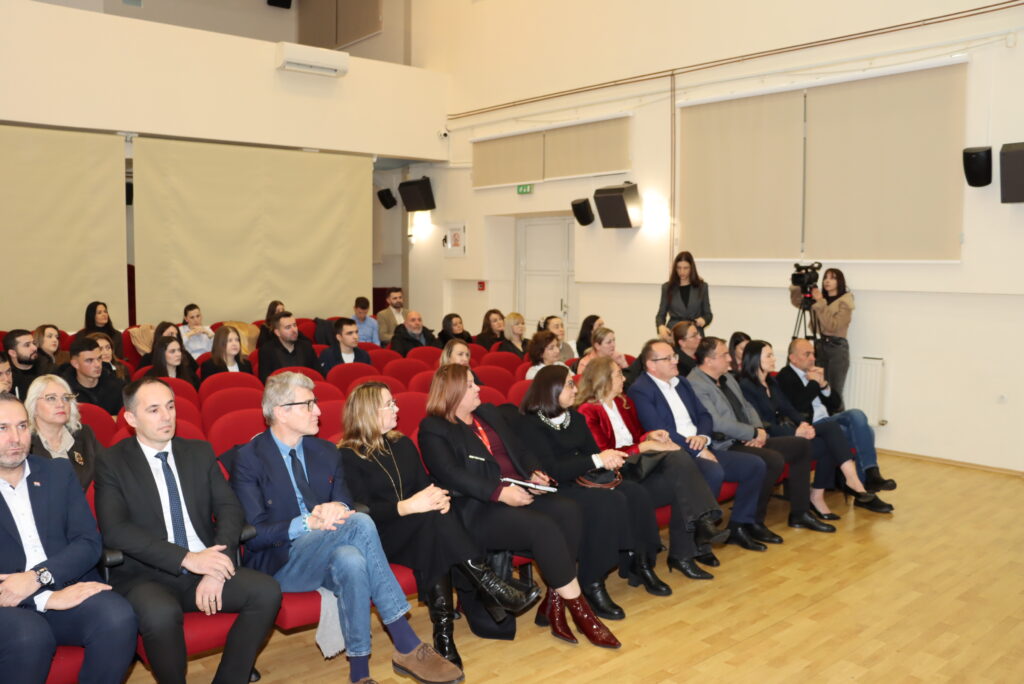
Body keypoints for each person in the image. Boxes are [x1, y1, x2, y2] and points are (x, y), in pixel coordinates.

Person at [229, 373, 464, 684]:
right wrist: (308, 522)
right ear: (281, 412)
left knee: (351, 560)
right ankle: (405, 642)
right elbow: (255, 535)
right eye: (308, 404)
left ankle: (360, 674)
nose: (318, 411)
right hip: (282, 562)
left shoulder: (325, 452)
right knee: (361, 523)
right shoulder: (248, 459)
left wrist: (336, 509)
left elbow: (345, 504)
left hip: (329, 550)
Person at [418, 365, 620, 649]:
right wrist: (499, 492)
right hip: (478, 507)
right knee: (543, 528)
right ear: (453, 392)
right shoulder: (434, 428)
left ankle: (554, 603)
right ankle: (583, 615)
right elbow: (451, 474)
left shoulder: (488, 413)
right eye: (470, 385)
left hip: (519, 489)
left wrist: (534, 473)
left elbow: (521, 450)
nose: (477, 388)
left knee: (569, 510)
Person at [338, 382, 538, 668]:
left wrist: (439, 498)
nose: (396, 408)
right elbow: (360, 512)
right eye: (389, 404)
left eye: (394, 402)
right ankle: (488, 587)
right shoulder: (347, 455)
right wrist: (407, 507)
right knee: (433, 526)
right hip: (380, 534)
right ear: (368, 411)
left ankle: (446, 635)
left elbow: (425, 486)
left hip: (421, 528)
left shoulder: (402, 443)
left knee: (435, 525)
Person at [95, 378, 281, 683]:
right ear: (131, 418)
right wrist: (187, 559)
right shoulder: (112, 461)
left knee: (266, 592)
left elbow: (230, 508)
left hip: (206, 561)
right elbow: (116, 530)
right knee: (161, 615)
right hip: (146, 574)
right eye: (154, 410)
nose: (166, 416)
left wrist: (217, 564)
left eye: (170, 407)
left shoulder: (199, 451)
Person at [0, 393, 137, 684]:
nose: (15, 438)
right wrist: (43, 599)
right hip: (7, 602)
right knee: (30, 637)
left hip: (61, 581)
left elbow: (88, 542)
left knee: (118, 617)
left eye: (22, 426)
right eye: (3, 428)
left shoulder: (57, 472)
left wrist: (40, 578)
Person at [517, 365, 667, 618]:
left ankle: (640, 563)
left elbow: (591, 455)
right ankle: (592, 581)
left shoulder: (574, 418)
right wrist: (597, 460)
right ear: (552, 389)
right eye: (569, 384)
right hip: (557, 488)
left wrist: (604, 460)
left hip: (584, 479)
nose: (575, 389)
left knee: (636, 493)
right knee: (607, 502)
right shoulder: (530, 424)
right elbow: (552, 470)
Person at [576, 357, 730, 582]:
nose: (624, 378)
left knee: (681, 479)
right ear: (603, 379)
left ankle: (684, 553)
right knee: (679, 463)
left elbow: (637, 434)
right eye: (618, 374)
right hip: (617, 473)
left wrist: (650, 436)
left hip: (639, 466)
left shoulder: (623, 403)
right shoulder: (587, 411)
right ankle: (701, 526)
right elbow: (604, 453)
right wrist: (643, 446)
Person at [627, 339, 771, 553]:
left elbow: (704, 415)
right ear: (651, 365)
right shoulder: (641, 390)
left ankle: (738, 526)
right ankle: (694, 544)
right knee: (713, 471)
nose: (675, 361)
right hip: (674, 455)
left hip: (701, 445)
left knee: (754, 465)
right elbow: (658, 429)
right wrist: (697, 449)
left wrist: (703, 437)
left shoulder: (682, 382)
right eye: (668, 358)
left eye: (675, 356)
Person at [687, 337, 836, 536]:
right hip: (723, 443)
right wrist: (753, 433)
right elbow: (717, 422)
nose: (730, 359)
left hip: (746, 436)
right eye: (724, 355)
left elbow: (747, 406)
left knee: (801, 446)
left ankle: (800, 513)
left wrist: (758, 430)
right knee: (772, 459)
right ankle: (749, 523)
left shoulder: (727, 377)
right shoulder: (696, 384)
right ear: (709, 360)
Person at [737, 341, 892, 517]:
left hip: (793, 430)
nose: (774, 359)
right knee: (833, 432)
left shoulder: (771, 382)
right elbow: (762, 423)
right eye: (769, 355)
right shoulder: (749, 386)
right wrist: (797, 430)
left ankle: (822, 493)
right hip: (769, 437)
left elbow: (790, 408)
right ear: (755, 359)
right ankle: (855, 482)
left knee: (845, 430)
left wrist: (804, 424)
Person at [776, 338, 897, 492]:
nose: (813, 358)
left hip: (828, 420)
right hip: (812, 425)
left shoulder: (814, 374)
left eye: (813, 354)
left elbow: (836, 404)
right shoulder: (785, 375)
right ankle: (867, 483)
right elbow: (798, 405)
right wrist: (814, 383)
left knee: (857, 414)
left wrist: (823, 385)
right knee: (867, 432)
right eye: (807, 354)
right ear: (792, 358)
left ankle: (870, 475)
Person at [25, 374, 104, 489]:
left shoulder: (84, 434)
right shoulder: (24, 444)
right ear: (33, 405)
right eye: (51, 398)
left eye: (66, 398)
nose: (61, 404)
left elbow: (109, 469)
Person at [790, 267, 854, 399]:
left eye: (832, 278)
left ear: (840, 281)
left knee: (834, 392)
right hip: (820, 345)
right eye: (825, 278)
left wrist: (820, 302)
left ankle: (837, 413)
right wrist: (798, 285)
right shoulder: (820, 298)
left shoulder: (845, 302)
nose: (827, 281)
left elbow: (832, 327)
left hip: (837, 348)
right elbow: (798, 302)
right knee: (818, 388)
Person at [655, 251, 713, 340]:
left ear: (692, 268)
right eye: (679, 268)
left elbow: (708, 315)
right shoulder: (667, 287)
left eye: (686, 268)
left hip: (695, 333)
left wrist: (704, 320)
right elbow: (660, 315)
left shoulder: (702, 287)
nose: (682, 271)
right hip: (674, 332)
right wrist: (661, 326)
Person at [62, 337, 124, 416]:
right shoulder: (64, 391)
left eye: (99, 358)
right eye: (89, 360)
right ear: (75, 364)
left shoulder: (117, 386)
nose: (97, 365)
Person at [258, 311, 320, 382]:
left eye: (294, 325)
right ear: (277, 332)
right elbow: (266, 381)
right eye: (288, 327)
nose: (294, 330)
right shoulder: (267, 350)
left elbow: (318, 375)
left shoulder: (306, 347)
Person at [4, 329, 40, 399]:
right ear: (13, 353)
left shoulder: (48, 369)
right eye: (27, 345)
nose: (34, 348)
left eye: (34, 343)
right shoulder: (5, 376)